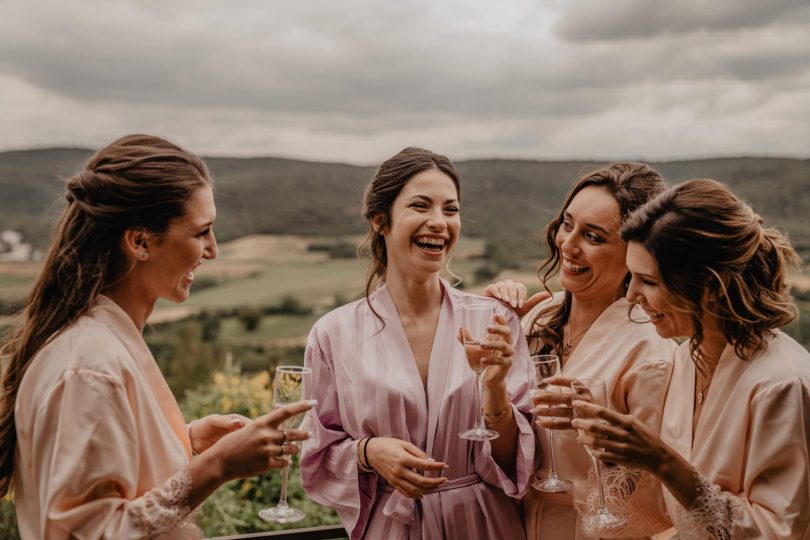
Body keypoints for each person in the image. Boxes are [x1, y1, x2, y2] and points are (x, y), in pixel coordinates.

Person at [0, 134, 313, 539]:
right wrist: (216, 468)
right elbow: (90, 531)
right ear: (140, 241)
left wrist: (189, 444)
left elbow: (124, 485)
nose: (213, 250)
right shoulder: (90, 366)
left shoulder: (106, 343)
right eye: (202, 232)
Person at [300, 147, 535, 539]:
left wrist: (495, 390)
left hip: (484, 525)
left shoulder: (495, 321)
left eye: (451, 209)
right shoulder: (333, 334)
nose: (439, 222)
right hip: (391, 526)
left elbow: (519, 462)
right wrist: (368, 452)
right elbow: (316, 452)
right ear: (381, 221)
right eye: (421, 206)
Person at [572, 178, 810, 539]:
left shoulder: (780, 385)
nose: (632, 295)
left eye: (648, 281)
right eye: (631, 278)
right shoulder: (687, 358)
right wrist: (606, 430)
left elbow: (777, 530)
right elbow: (674, 510)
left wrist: (663, 461)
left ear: (711, 287)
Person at [485, 163, 675, 539]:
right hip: (517, 523)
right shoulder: (537, 316)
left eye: (594, 237)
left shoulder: (649, 350)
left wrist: (592, 426)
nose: (568, 244)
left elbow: (654, 483)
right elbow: (507, 444)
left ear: (637, 253)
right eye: (567, 224)